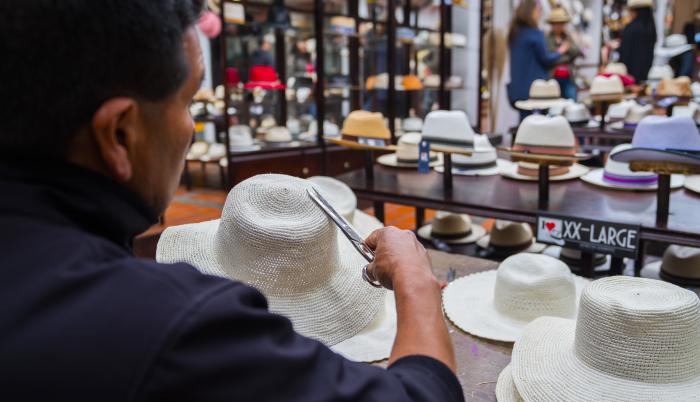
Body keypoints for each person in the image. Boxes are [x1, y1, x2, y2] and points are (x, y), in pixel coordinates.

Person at [0, 1, 462, 402]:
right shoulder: (173, 327)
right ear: (120, 134)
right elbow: (425, 393)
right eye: (188, 102)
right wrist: (415, 277)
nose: (191, 129)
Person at [507, 0, 569, 120]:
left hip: (517, 90)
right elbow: (546, 59)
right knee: (539, 126)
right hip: (535, 91)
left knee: (524, 124)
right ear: (532, 12)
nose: (540, 14)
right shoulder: (535, 34)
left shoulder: (514, 33)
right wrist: (560, 51)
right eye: (538, 10)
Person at [546, 7, 581, 100]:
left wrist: (564, 51)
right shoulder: (547, 38)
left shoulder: (568, 37)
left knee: (571, 102)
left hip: (568, 77)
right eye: (556, 23)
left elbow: (577, 52)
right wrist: (563, 51)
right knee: (553, 104)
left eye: (561, 23)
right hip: (552, 77)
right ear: (552, 24)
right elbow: (548, 57)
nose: (559, 26)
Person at [619, 0, 657, 82]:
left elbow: (626, 54)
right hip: (646, 75)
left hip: (629, 76)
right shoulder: (651, 28)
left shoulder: (631, 28)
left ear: (636, 11)